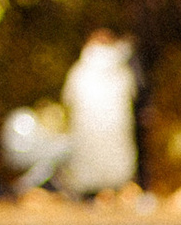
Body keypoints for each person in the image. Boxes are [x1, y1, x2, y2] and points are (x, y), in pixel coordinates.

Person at [59, 29, 140, 199]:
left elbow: (67, 100)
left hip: (86, 153)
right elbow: (134, 96)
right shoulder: (122, 72)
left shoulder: (79, 72)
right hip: (117, 148)